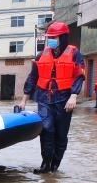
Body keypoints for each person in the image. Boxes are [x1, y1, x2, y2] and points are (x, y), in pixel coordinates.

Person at [17, 21, 85, 173]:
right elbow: (32, 77)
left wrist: (74, 96)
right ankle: (45, 164)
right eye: (50, 37)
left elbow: (79, 76)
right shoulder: (41, 55)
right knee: (46, 129)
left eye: (55, 37)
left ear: (64, 38)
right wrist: (24, 100)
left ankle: (55, 165)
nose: (52, 40)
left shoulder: (74, 54)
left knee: (61, 134)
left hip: (64, 98)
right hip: (44, 98)